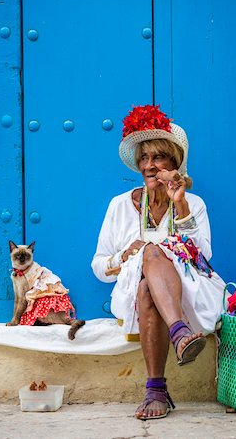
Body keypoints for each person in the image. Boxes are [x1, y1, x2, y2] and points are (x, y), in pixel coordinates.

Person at [91, 105, 225, 420]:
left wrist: (179, 205)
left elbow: (203, 257)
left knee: (153, 256)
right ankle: (180, 336)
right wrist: (123, 256)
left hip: (191, 294)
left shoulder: (193, 203)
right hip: (136, 298)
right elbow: (99, 267)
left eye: (159, 158)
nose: (150, 166)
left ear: (174, 164)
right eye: (144, 159)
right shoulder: (120, 206)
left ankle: (156, 390)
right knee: (147, 276)